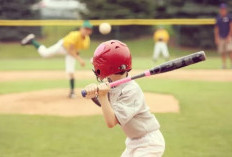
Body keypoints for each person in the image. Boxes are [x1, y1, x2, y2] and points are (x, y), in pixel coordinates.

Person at [83, 40, 165, 157]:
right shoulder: (112, 83)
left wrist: (102, 95)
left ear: (109, 67)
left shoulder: (131, 90)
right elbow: (106, 104)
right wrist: (93, 95)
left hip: (149, 143)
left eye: (98, 65)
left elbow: (111, 121)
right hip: (133, 141)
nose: (96, 68)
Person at [21, 20, 93, 98]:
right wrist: (79, 59)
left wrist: (77, 54)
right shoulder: (75, 35)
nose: (86, 31)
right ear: (81, 28)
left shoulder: (87, 41)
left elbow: (76, 48)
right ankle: (32, 41)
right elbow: (69, 50)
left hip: (71, 52)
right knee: (45, 53)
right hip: (62, 46)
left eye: (88, 29)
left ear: (90, 31)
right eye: (85, 29)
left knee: (70, 71)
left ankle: (72, 92)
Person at [214, 3, 232, 69]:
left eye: (224, 9)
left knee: (230, 50)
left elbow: (231, 27)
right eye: (222, 9)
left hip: (228, 37)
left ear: (226, 10)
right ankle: (224, 65)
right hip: (221, 37)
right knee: (222, 52)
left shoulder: (229, 17)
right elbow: (216, 29)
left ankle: (231, 64)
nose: (223, 10)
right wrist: (216, 38)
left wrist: (229, 36)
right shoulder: (218, 18)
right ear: (220, 10)